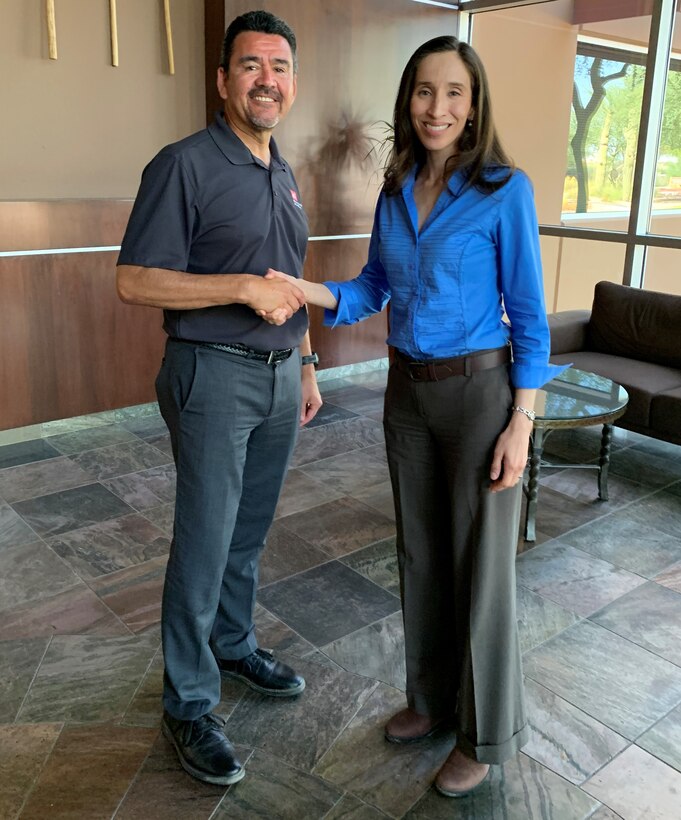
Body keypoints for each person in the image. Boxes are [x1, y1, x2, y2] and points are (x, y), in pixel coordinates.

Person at [261, 35, 568, 797]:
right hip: (408, 395)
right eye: (424, 92)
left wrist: (522, 422)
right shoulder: (396, 187)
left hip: (479, 396)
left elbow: (529, 316)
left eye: (453, 93)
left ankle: (481, 735)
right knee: (421, 557)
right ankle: (428, 703)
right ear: (408, 102)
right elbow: (371, 287)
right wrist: (311, 293)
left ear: (473, 105)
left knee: (480, 571)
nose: (437, 107)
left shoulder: (504, 190)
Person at [116, 10, 322, 787]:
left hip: (277, 377)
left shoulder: (283, 170)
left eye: (278, 67)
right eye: (250, 66)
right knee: (205, 537)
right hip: (211, 371)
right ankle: (189, 700)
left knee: (246, 530)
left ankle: (232, 646)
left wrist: (307, 365)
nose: (266, 79)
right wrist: (233, 287)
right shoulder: (184, 164)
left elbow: (291, 280)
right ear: (222, 80)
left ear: (291, 83)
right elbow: (134, 280)